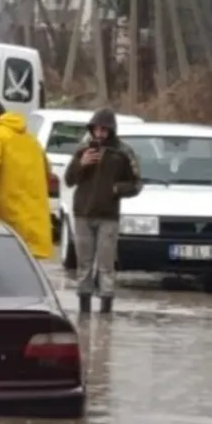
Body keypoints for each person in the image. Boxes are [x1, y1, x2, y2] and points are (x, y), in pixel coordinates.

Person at [62, 108, 142, 315]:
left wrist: (117, 189)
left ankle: (106, 309)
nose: (100, 133)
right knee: (83, 264)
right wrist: (82, 164)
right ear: (92, 129)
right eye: (97, 129)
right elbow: (69, 180)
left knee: (106, 265)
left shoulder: (123, 152)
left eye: (105, 129)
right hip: (83, 214)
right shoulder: (82, 150)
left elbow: (136, 183)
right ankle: (84, 310)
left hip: (108, 216)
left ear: (112, 130)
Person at [0, 101, 53, 260]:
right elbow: (48, 169)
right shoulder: (31, 139)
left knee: (4, 253)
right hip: (31, 211)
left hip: (7, 207)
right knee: (26, 256)